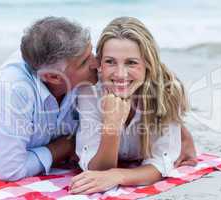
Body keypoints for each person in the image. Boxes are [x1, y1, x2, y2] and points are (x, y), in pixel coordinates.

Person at [0, 16, 196, 182]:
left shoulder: (87, 72)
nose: (96, 64)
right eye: (85, 62)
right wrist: (68, 145)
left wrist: (179, 127)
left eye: (93, 54)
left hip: (52, 123)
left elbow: (141, 65)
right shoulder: (14, 90)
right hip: (17, 121)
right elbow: (8, 170)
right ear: (54, 77)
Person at [70, 16, 196, 194]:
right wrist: (111, 126)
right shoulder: (89, 93)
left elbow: (160, 164)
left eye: (131, 62)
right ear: (99, 64)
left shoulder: (167, 92)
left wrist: (118, 175)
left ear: (148, 64)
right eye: (110, 61)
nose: (120, 74)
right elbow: (95, 171)